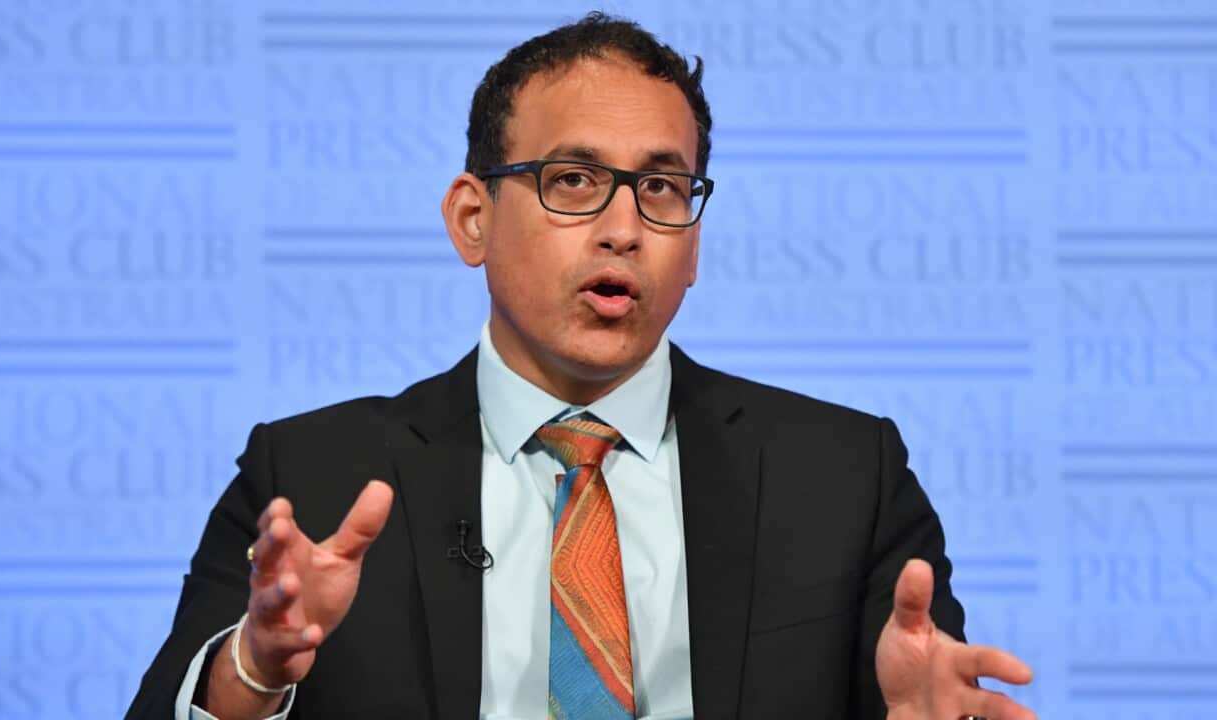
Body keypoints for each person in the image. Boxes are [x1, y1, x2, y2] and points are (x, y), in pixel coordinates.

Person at [127, 13, 1037, 720]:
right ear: (472, 219)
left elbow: (927, 690)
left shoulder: (843, 475)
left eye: (662, 186)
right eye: (572, 180)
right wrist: (254, 670)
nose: (623, 226)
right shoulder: (313, 476)